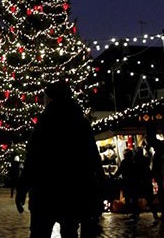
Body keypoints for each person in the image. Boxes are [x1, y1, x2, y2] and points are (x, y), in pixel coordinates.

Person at [16, 80, 103, 238]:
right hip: (74, 191)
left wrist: (22, 189)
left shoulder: (45, 123)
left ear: (50, 98)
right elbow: (93, 158)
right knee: (70, 232)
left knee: (40, 232)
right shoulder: (80, 122)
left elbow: (32, 159)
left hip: (45, 192)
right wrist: (99, 188)